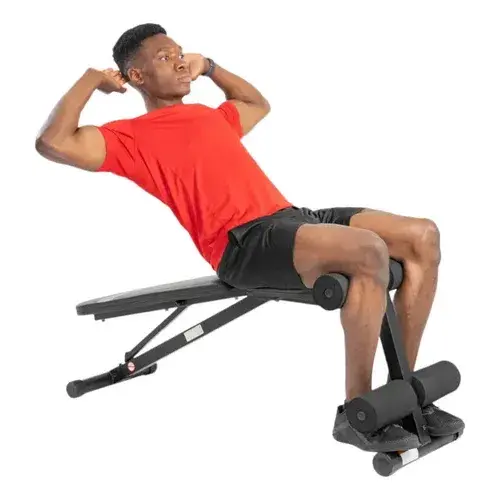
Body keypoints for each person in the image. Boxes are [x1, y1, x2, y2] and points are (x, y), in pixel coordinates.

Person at [35, 23, 464, 452]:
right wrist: (93, 79)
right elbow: (52, 142)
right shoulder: (128, 137)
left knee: (422, 235)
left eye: (180, 53)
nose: (180, 62)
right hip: (243, 244)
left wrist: (211, 67)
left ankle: (402, 393)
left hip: (293, 218)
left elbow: (256, 103)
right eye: (165, 57)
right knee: (368, 250)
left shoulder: (209, 116)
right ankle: (357, 413)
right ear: (136, 76)